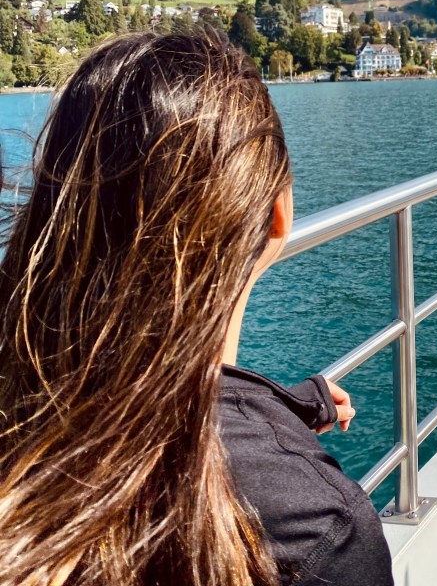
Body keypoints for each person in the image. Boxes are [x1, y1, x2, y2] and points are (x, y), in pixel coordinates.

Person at [0, 29, 394, 586]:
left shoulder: (30, 408)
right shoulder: (318, 529)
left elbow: (179, 406)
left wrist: (281, 410)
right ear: (279, 215)